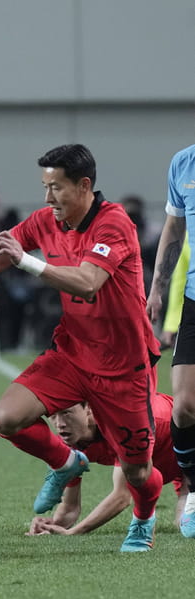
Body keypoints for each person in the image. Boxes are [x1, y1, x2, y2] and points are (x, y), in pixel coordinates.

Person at [0, 144, 163, 552]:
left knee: (138, 472)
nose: (48, 198)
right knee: (7, 418)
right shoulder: (46, 221)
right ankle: (67, 461)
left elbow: (88, 282)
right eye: (45, 187)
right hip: (72, 353)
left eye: (56, 188)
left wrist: (26, 263)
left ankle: (144, 520)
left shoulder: (114, 223)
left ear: (84, 185)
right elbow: (7, 244)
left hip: (123, 366)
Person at [27, 394, 187, 536]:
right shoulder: (71, 440)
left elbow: (122, 496)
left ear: (89, 408)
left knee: (188, 528)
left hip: (189, 449)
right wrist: (52, 525)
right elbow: (70, 508)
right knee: (184, 525)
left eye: (66, 413)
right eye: (52, 415)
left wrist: (74, 532)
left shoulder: (121, 427)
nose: (59, 423)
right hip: (166, 462)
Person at [146, 141, 195, 538]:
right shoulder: (183, 162)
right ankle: (193, 486)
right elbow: (174, 226)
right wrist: (158, 287)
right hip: (194, 300)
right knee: (185, 407)